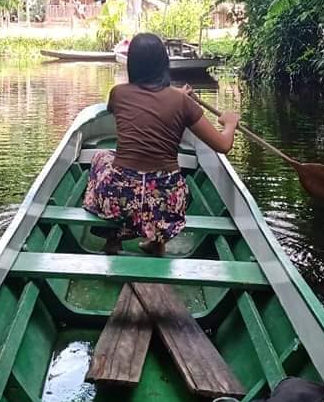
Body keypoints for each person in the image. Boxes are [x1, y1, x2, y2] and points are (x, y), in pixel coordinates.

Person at [82, 33, 240, 256]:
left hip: (120, 199)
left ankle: (113, 239)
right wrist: (230, 123)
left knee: (102, 158)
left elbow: (143, 98)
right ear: (164, 64)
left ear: (132, 64)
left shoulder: (118, 94)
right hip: (165, 204)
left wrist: (177, 95)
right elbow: (223, 145)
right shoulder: (182, 103)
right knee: (173, 183)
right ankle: (157, 242)